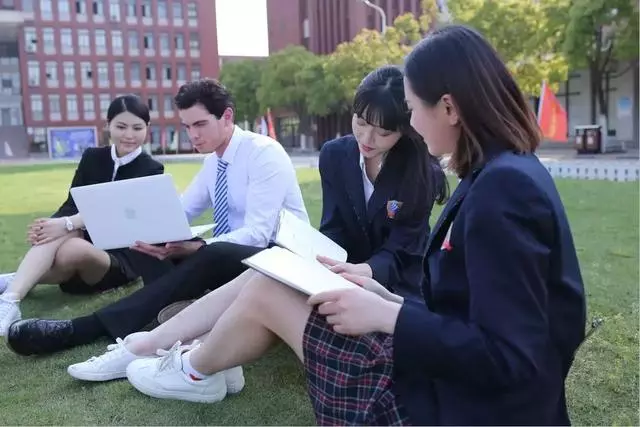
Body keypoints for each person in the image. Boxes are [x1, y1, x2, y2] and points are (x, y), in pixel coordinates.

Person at [121, 25, 585, 426]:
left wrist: (388, 314)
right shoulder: (500, 173)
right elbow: (476, 314)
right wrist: (384, 298)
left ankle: (191, 369)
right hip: (450, 376)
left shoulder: (502, 190)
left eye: (410, 110)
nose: (411, 124)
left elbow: (511, 358)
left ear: (448, 108)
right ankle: (184, 360)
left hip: (455, 407)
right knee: (270, 276)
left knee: (266, 290)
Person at [62, 65, 448, 385]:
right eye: (360, 123)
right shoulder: (337, 154)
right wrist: (321, 260)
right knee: (264, 271)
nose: (367, 137)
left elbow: (403, 251)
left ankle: (177, 354)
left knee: (257, 273)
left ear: (405, 128)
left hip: (384, 285)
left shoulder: (420, 172)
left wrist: (363, 270)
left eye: (383, 131)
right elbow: (333, 227)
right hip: (333, 267)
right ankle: (153, 347)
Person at [6, 78, 308, 356]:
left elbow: (257, 233)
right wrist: (153, 232)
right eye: (187, 126)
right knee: (147, 239)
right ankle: (176, 308)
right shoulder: (213, 163)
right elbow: (179, 211)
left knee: (212, 251)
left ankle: (86, 327)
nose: (193, 135)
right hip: (232, 259)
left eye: (200, 124)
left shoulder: (263, 153)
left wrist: (197, 246)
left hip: (276, 258)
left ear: (227, 116)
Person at [0, 95, 165, 334]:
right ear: (108, 125)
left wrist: (67, 223)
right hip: (80, 244)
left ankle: (16, 279)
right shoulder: (92, 157)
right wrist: (51, 225)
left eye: (137, 128)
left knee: (72, 245)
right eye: (121, 127)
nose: (129, 135)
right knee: (64, 239)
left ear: (147, 128)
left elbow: (120, 214)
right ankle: (10, 300)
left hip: (120, 257)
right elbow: (71, 203)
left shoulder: (152, 169)